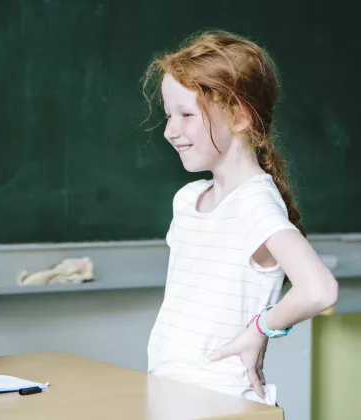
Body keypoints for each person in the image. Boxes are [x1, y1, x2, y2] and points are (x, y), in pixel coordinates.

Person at [142, 30, 338, 405]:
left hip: (222, 402)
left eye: (186, 115)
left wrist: (261, 328)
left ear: (239, 116)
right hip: (169, 390)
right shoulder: (188, 201)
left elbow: (319, 290)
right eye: (169, 115)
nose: (170, 130)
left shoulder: (254, 205)